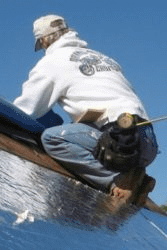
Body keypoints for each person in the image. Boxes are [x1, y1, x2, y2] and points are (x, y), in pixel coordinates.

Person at [13, 15, 158, 205]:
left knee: (53, 138)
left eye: (42, 44)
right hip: (148, 142)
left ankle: (116, 181)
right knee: (81, 125)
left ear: (45, 40)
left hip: (116, 143)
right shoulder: (103, 58)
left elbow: (27, 109)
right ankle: (135, 176)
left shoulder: (53, 62)